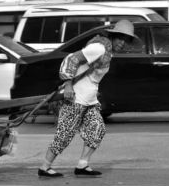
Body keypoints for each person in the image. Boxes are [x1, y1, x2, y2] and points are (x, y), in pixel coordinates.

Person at [38, 20, 139, 177]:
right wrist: (69, 85)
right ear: (114, 37)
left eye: (127, 40)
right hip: (75, 99)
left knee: (97, 130)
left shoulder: (108, 52)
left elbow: (92, 76)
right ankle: (45, 167)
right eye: (120, 38)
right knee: (64, 135)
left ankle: (82, 165)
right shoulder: (99, 48)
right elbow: (70, 60)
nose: (123, 43)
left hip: (90, 101)